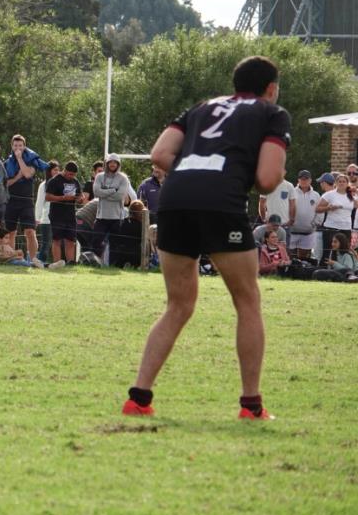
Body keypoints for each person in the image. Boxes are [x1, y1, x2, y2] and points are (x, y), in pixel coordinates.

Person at [124, 55, 290, 421]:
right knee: (247, 302)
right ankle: (251, 406)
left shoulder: (200, 108)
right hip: (221, 202)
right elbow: (266, 178)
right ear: (271, 88)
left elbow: (159, 153)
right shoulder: (271, 113)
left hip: (176, 199)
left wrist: (194, 171)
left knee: (178, 305)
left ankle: (138, 397)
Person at [2, 135, 51, 264]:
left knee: (30, 231)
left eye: (20, 145)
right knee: (11, 232)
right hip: (11, 201)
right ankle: (11, 259)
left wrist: (19, 159)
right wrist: (17, 176)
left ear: (24, 146)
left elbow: (28, 174)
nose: (18, 148)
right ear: (12, 147)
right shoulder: (6, 163)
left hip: (27, 201)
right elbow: (6, 183)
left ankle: (34, 260)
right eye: (15, 145)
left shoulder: (32, 161)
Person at [91, 154, 133, 264]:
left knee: (115, 243)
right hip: (101, 216)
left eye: (115, 162)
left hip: (117, 217)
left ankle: (114, 265)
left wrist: (104, 193)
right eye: (110, 162)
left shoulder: (123, 178)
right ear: (107, 164)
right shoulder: (99, 176)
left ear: (118, 164)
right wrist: (113, 190)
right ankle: (95, 262)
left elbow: (120, 196)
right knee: (96, 241)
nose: (113, 164)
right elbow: (96, 192)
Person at [315, 172, 354, 264]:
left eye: (344, 181)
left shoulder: (352, 196)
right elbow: (317, 209)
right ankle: (322, 271)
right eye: (339, 181)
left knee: (344, 251)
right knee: (328, 251)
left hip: (346, 227)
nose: (341, 183)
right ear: (336, 183)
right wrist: (329, 208)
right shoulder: (329, 195)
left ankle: (343, 271)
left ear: (347, 183)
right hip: (331, 227)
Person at [288, 170, 321, 261]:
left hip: (308, 231)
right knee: (290, 255)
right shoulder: (291, 192)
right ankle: (289, 273)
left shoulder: (316, 195)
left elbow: (320, 211)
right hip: (292, 230)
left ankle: (300, 273)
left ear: (310, 180)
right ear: (298, 180)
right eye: (302, 179)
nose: (304, 181)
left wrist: (315, 223)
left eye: (306, 179)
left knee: (303, 257)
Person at [34, 161, 59, 262]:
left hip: (59, 219)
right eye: (55, 170)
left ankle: (56, 263)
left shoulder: (61, 184)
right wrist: (37, 218)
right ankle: (40, 263)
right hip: (46, 220)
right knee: (46, 244)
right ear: (49, 171)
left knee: (57, 243)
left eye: (58, 170)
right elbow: (39, 203)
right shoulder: (43, 185)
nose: (57, 172)